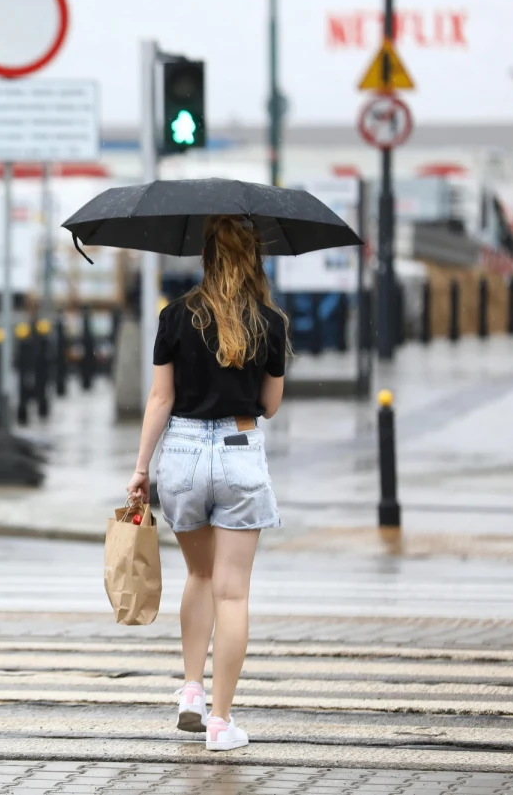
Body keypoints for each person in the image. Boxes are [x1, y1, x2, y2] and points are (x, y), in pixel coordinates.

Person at [126, 215, 289, 752]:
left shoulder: (173, 317)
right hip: (240, 452)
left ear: (206, 257)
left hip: (183, 454)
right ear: (253, 258)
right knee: (232, 592)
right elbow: (268, 406)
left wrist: (141, 469)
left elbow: (160, 399)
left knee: (197, 574)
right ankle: (221, 723)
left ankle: (192, 690)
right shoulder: (269, 321)